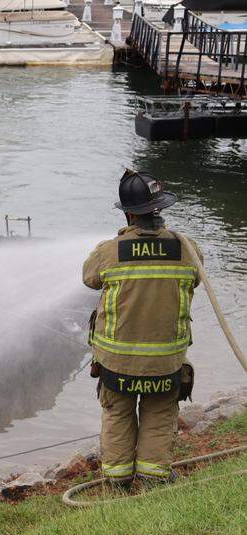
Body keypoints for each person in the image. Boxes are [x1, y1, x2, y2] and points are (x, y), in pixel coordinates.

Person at [82, 170, 202, 489]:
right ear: (161, 209)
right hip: (166, 362)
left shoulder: (110, 251)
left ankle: (117, 480)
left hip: (116, 362)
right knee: (160, 415)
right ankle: (153, 477)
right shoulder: (187, 249)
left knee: (118, 414)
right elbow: (196, 277)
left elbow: (89, 278)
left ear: (129, 213)